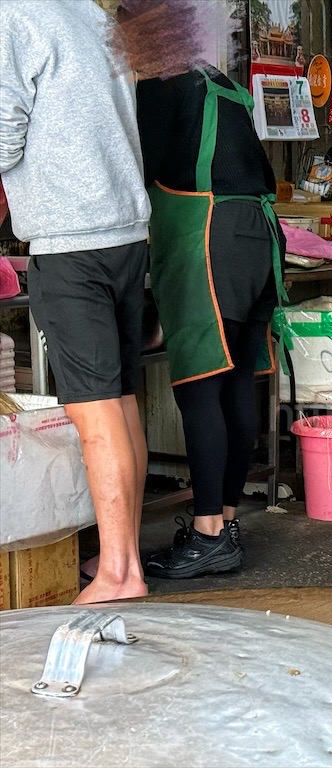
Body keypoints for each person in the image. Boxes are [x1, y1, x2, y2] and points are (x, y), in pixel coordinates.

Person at [0, 1, 152, 603]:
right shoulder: (92, 13)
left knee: (93, 412)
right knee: (119, 400)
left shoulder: (14, 14)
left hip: (72, 240)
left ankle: (120, 574)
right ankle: (126, 558)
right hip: (124, 234)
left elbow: (3, 132)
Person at [133, 57, 287, 579]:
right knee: (236, 383)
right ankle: (223, 521)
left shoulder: (160, 81)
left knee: (200, 387)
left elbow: (141, 169)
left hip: (208, 234)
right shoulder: (221, 81)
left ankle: (207, 535)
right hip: (259, 237)